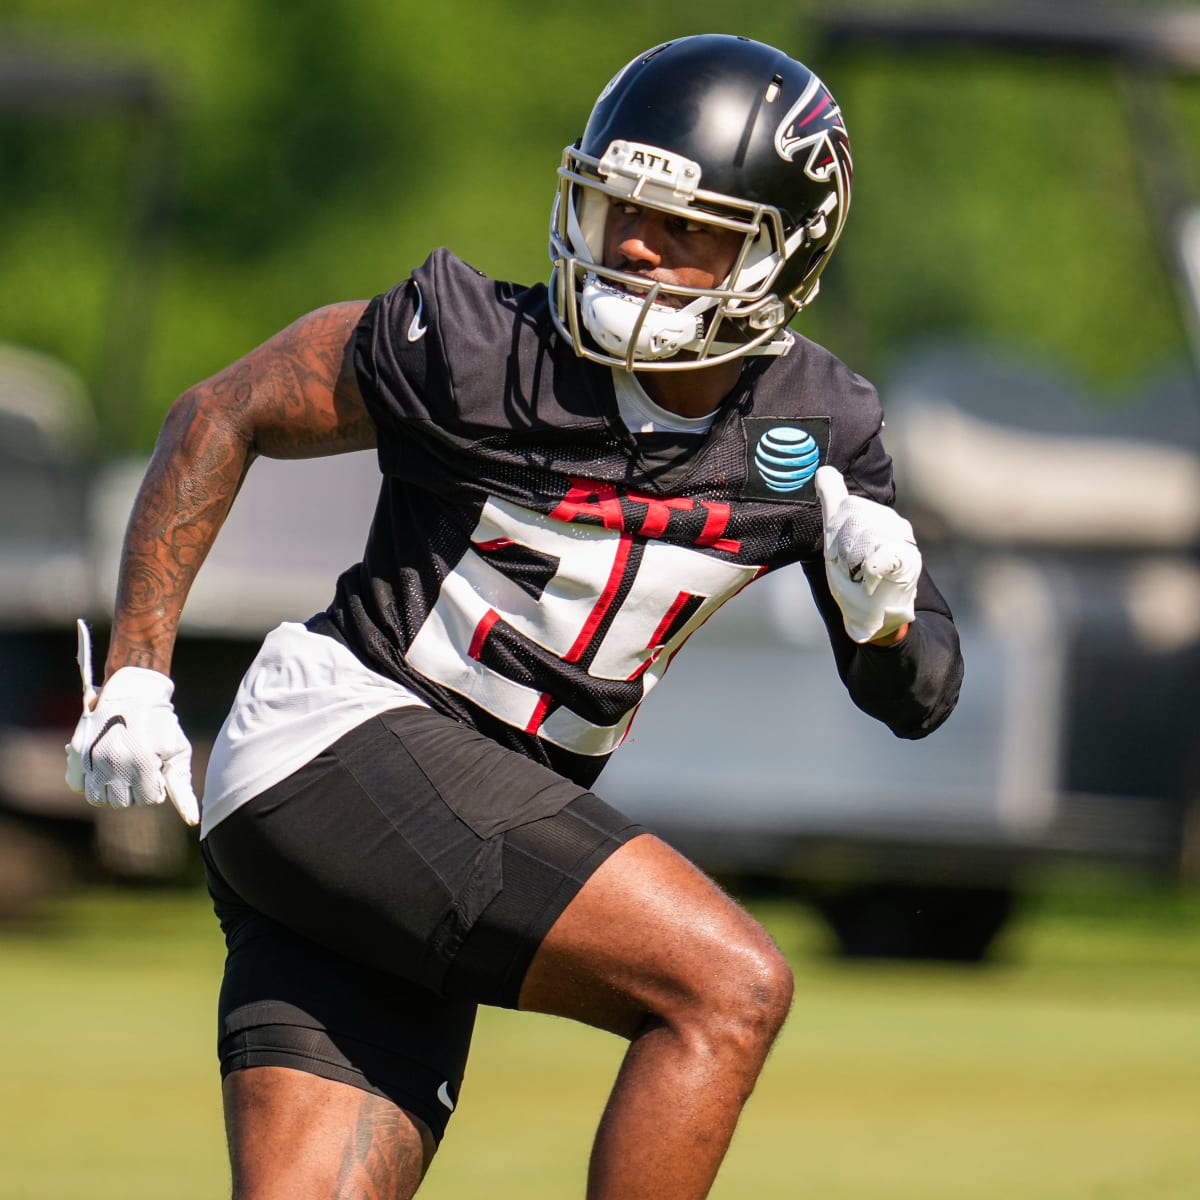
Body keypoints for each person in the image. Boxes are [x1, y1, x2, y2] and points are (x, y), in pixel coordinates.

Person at [66, 33, 963, 1200]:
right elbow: (223, 409)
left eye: (688, 229)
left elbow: (922, 694)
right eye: (619, 210)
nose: (635, 243)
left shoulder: (817, 430)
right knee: (730, 988)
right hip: (337, 745)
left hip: (418, 844)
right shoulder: (483, 344)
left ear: (784, 256)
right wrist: (138, 671)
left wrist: (881, 614)